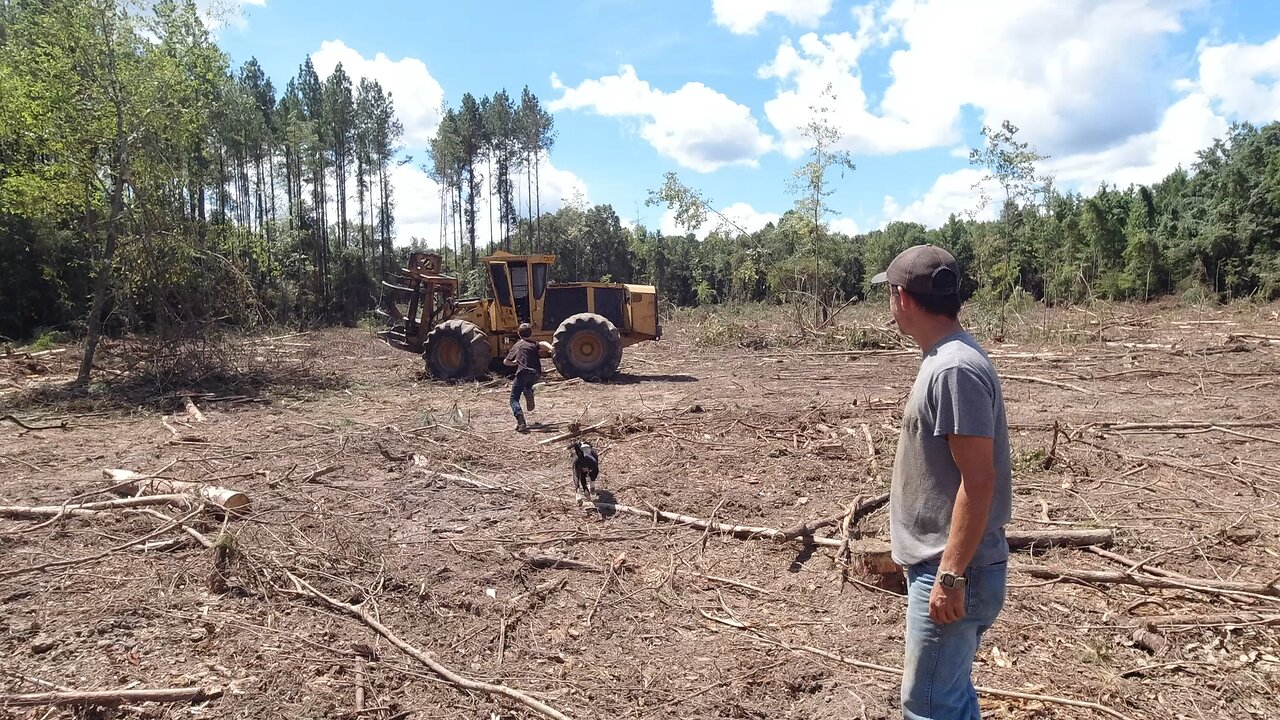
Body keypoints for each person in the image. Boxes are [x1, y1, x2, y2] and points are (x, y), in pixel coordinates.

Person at [870, 245, 1012, 720]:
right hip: (949, 566)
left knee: (929, 705)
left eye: (890, 295)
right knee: (949, 694)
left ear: (903, 299)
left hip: (954, 571)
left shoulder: (953, 369)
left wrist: (950, 576)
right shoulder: (945, 359)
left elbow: (979, 479)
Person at [503, 323, 542, 433]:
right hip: (536, 374)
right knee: (528, 385)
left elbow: (506, 361)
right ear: (531, 333)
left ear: (518, 333)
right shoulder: (534, 343)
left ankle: (521, 422)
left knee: (513, 399)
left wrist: (515, 363)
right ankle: (528, 390)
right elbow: (542, 345)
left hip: (523, 373)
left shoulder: (518, 344)